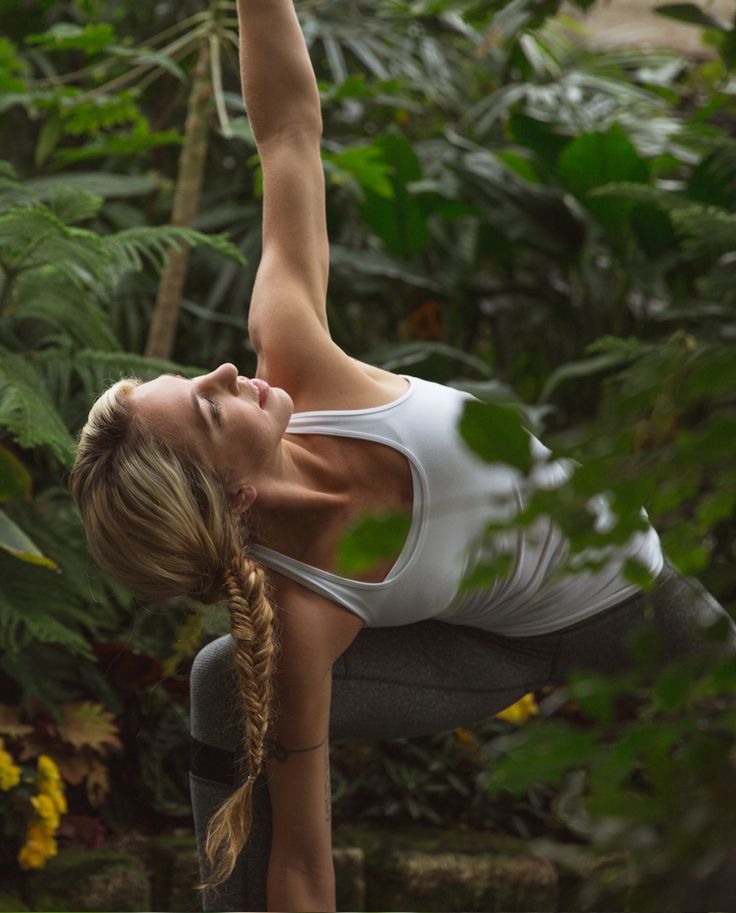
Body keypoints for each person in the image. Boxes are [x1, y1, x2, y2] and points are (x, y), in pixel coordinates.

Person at [67, 0, 736, 910]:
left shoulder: (295, 351)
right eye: (210, 406)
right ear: (232, 491)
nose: (227, 368)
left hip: (629, 591)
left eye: (198, 375)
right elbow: (306, 862)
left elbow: (290, 131)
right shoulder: (300, 621)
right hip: (488, 652)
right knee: (231, 677)